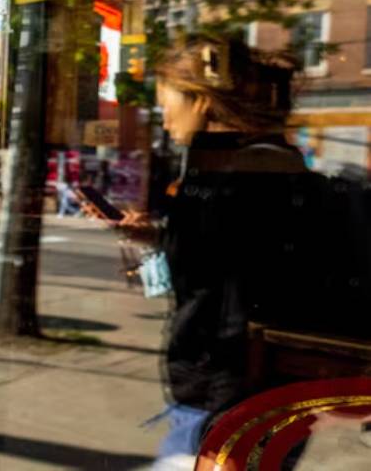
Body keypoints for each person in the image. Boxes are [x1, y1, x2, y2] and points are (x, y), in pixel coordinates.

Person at [108, 37, 310, 469]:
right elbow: (227, 268)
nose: (163, 121)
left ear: (200, 102)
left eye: (167, 105)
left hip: (225, 398)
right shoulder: (260, 167)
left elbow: (232, 302)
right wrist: (159, 238)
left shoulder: (231, 181)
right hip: (241, 395)